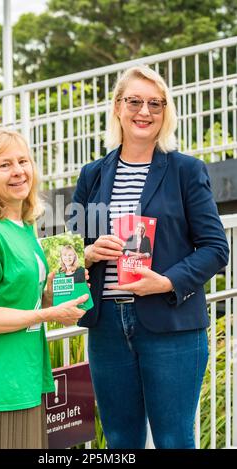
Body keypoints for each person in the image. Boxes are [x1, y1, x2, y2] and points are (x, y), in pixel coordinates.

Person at [70, 65, 229, 449]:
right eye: (135, 101)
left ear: (165, 112)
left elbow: (215, 248)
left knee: (174, 439)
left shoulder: (186, 171)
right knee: (121, 442)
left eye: (155, 104)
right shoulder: (92, 175)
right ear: (118, 107)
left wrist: (168, 281)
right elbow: (68, 253)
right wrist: (88, 254)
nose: (145, 111)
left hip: (171, 326)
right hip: (106, 327)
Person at [0, 128, 88, 449]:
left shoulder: (25, 227)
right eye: (4, 165)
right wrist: (49, 313)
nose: (18, 171)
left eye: (23, 161)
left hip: (26, 376)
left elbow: (27, 297)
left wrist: (78, 272)